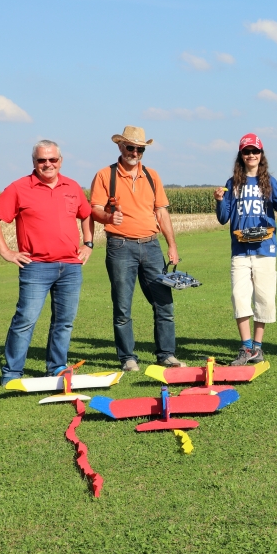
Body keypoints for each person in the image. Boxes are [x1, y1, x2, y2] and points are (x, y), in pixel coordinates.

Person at [0, 140, 93, 386]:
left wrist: (88, 243)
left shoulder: (72, 186)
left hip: (71, 267)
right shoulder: (19, 187)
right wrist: (6, 252)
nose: (47, 164)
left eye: (52, 159)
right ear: (34, 162)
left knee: (64, 322)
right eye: (42, 160)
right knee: (25, 320)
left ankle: (56, 368)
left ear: (60, 161)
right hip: (36, 267)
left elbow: (86, 214)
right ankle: (12, 373)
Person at [89, 125, 185, 372]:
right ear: (120, 146)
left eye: (140, 149)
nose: (135, 153)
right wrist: (108, 218)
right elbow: (94, 209)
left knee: (164, 304)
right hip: (120, 246)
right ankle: (127, 358)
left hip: (151, 246)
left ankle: (166, 355)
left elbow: (161, 212)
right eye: (131, 147)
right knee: (123, 307)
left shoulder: (152, 176)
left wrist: (172, 245)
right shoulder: (105, 175)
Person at [214, 133, 277, 366]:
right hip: (240, 250)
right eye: (247, 151)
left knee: (264, 298)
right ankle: (245, 347)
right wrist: (219, 201)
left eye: (255, 151)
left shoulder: (270, 182)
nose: (251, 155)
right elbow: (223, 218)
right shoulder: (232, 183)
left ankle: (257, 348)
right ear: (241, 155)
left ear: (261, 154)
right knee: (239, 297)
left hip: (265, 248)